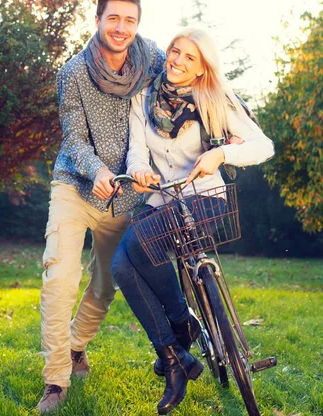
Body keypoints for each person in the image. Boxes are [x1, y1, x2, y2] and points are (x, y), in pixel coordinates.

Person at [111, 27, 274, 415]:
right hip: (161, 196)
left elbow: (263, 146)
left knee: (136, 246)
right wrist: (138, 171)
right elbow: (136, 151)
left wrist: (221, 157)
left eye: (189, 58)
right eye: (175, 52)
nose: (177, 61)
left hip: (204, 198)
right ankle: (175, 358)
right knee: (120, 264)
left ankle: (183, 327)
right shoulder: (143, 98)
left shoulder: (214, 99)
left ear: (202, 69)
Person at [37, 0, 165, 413]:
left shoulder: (153, 61)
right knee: (60, 277)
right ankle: (55, 381)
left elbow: (194, 82)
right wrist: (97, 171)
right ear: (98, 20)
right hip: (76, 186)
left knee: (105, 285)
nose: (121, 28)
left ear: (137, 24)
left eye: (130, 20)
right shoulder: (73, 72)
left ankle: (75, 346)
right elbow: (73, 138)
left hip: (126, 197)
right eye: (113, 19)